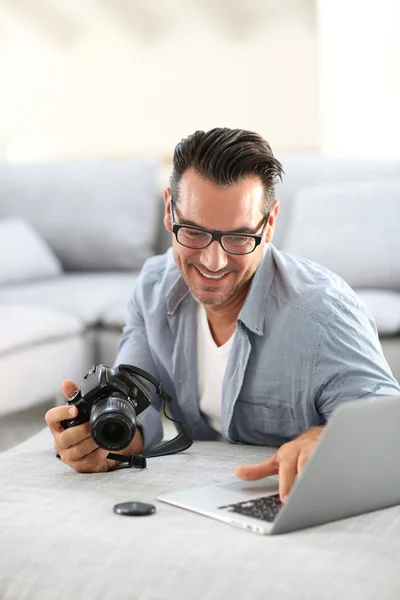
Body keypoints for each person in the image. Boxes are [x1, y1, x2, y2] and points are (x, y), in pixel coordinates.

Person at [45, 128, 400, 502]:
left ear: (270, 222)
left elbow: (389, 426)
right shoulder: (151, 289)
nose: (213, 262)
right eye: (194, 232)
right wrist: (100, 442)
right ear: (169, 211)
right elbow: (138, 413)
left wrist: (330, 439)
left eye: (239, 237)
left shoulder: (323, 315)